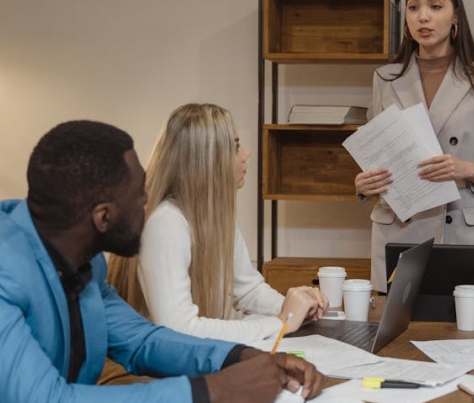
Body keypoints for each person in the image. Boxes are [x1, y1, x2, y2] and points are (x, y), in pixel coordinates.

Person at [0, 120, 326, 403]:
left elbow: (142, 342)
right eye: (140, 195)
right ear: (104, 216)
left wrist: (238, 357)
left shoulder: (81, 257)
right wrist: (214, 391)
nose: (149, 203)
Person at [108, 103, 328, 345]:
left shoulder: (214, 215)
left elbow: (248, 290)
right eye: (235, 147)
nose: (246, 154)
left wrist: (296, 307)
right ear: (208, 159)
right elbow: (179, 329)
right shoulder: (166, 224)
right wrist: (281, 322)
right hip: (162, 361)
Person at [353, 0, 474, 291]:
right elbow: (379, 156)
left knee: (462, 322)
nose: (423, 16)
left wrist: (465, 168)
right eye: (413, 7)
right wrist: (364, 184)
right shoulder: (385, 78)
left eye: (435, 6)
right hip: (400, 229)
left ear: (455, 16)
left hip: (462, 230)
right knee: (395, 322)